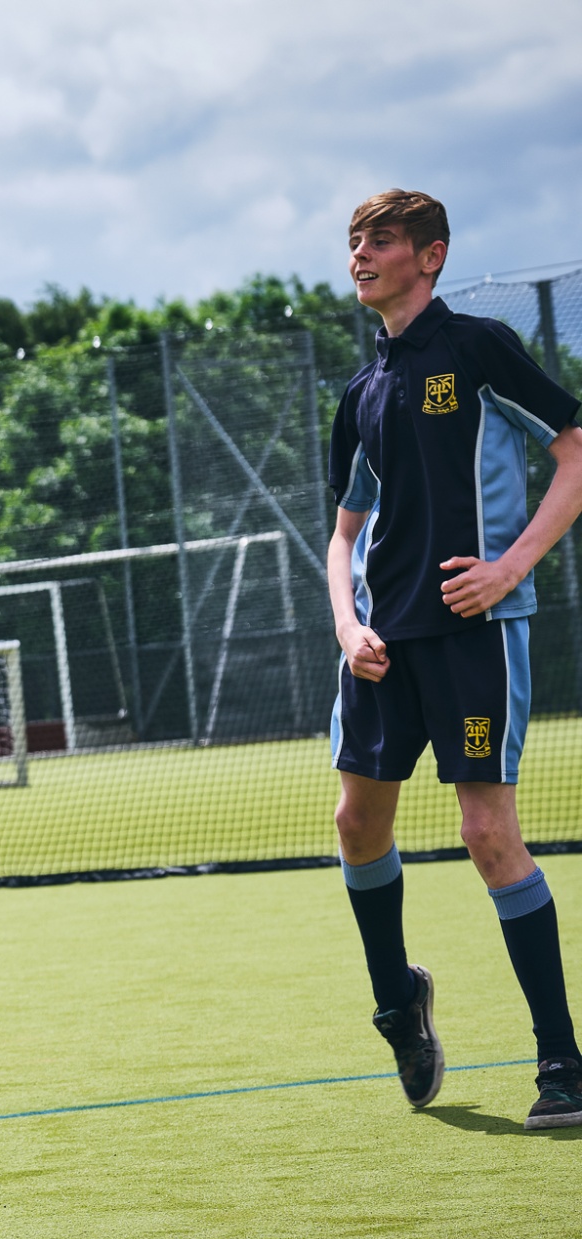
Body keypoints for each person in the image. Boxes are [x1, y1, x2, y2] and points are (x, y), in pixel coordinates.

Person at [327, 190, 582, 1129]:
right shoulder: (361, 393)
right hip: (379, 646)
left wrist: (510, 567)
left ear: (429, 256)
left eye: (381, 240)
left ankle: (562, 1062)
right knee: (357, 823)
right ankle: (399, 1004)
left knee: (487, 834)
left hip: (477, 633)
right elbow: (343, 534)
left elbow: (575, 453)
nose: (360, 255)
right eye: (354, 241)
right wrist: (346, 626)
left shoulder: (478, 349)